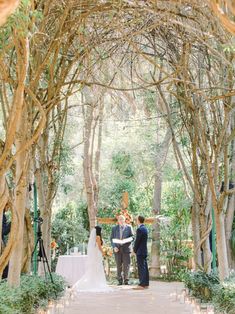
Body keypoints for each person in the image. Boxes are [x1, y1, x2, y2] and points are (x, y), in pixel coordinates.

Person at [73, 226, 111, 292]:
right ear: (99, 231)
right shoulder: (98, 237)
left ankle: (95, 281)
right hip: (97, 253)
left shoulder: (94, 237)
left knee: (95, 268)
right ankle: (97, 282)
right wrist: (104, 253)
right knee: (97, 268)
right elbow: (99, 247)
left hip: (95, 253)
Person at [110, 215, 134, 285]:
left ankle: (126, 280)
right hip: (117, 249)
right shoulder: (114, 228)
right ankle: (119, 280)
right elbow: (111, 239)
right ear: (118, 220)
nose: (121, 220)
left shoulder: (129, 227)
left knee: (127, 265)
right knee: (118, 265)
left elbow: (133, 237)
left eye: (122, 219)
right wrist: (114, 247)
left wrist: (126, 240)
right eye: (119, 219)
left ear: (124, 220)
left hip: (126, 249)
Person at [133, 215, 149, 289]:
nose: (136, 221)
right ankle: (146, 284)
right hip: (144, 251)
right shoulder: (145, 228)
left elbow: (137, 241)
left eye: (136, 219)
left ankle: (141, 284)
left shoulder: (139, 229)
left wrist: (134, 250)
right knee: (144, 267)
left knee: (141, 268)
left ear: (139, 220)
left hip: (140, 251)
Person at [1, 207, 11, 279]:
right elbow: (4, 231)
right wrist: (12, 223)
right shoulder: (2, 215)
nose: (8, 208)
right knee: (5, 262)